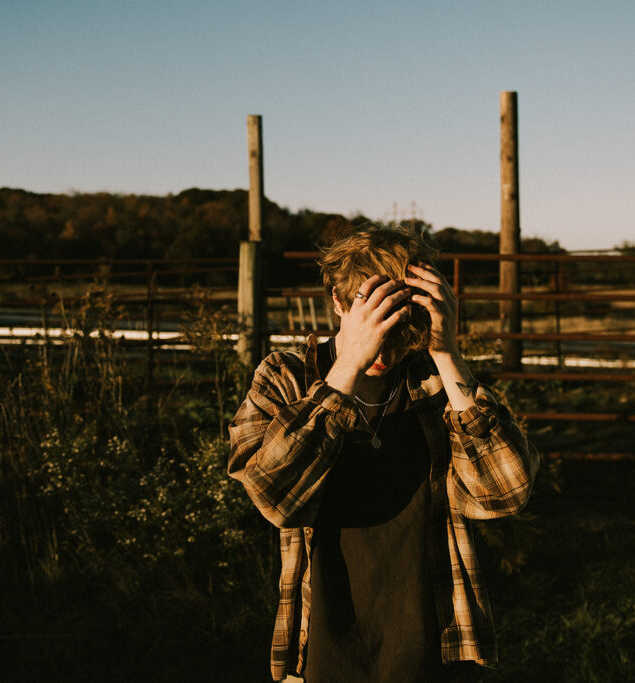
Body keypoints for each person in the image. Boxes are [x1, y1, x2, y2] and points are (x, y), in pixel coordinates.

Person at [228, 226, 540, 682]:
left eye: (403, 330)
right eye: (378, 324)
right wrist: (346, 369)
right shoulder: (286, 377)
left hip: (433, 648)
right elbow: (274, 497)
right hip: (323, 651)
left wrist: (447, 353)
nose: (387, 349)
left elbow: (505, 493)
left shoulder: (436, 383)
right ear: (337, 300)